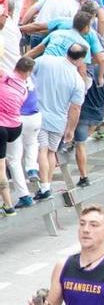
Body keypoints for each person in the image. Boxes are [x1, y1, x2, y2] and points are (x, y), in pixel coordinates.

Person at [33, 45, 86, 201]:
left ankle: (45, 187)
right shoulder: (78, 80)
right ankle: (46, 185)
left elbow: (27, 71)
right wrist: (70, 129)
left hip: (38, 114)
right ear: (81, 59)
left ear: (67, 52)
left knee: (42, 151)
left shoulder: (45, 61)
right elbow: (76, 108)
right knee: (50, 152)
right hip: (59, 120)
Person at [73, 52, 104, 187]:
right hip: (97, 116)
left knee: (80, 145)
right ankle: (101, 127)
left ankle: (84, 177)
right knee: (84, 138)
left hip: (82, 113)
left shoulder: (90, 70)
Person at [0, 56, 34, 215]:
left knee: (2, 168)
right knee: (13, 160)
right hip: (15, 127)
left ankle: (7, 205)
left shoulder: (4, 76)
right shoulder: (24, 89)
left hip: (1, 127)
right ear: (28, 73)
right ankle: (24, 194)